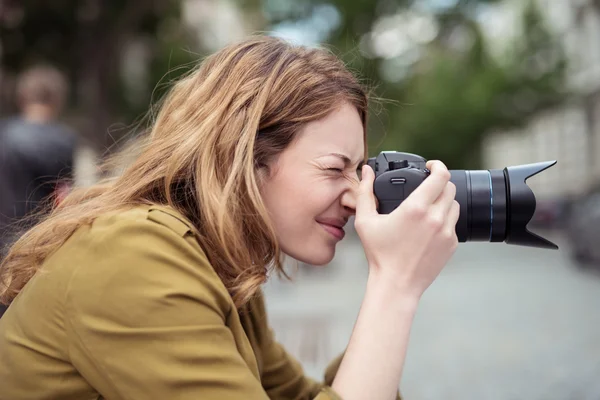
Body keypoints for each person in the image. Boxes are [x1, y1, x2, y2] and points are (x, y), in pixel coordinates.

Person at [0, 36, 459, 400]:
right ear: (245, 157)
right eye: (335, 168)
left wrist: (392, 286)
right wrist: (394, 285)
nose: (358, 198)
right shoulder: (132, 257)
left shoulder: (222, 265)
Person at [0, 65, 76, 318]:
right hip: (36, 243)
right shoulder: (64, 141)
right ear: (56, 99)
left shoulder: (4, 134)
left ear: (22, 97)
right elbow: (63, 197)